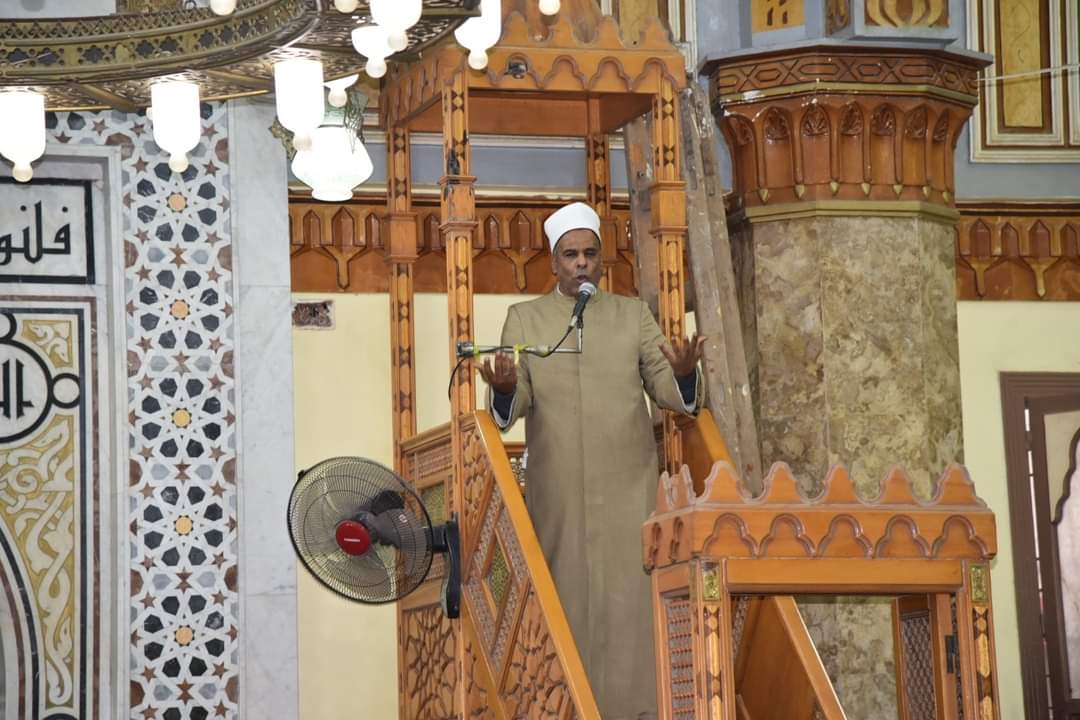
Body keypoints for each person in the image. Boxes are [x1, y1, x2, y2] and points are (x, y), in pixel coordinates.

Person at [478, 201, 705, 720]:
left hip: (629, 490)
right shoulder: (525, 318)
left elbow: (666, 387)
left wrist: (684, 375)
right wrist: (506, 390)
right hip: (558, 495)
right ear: (553, 262)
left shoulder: (631, 315)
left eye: (590, 254)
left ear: (601, 260)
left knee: (631, 604)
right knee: (563, 603)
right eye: (570, 254)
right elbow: (514, 405)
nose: (581, 263)